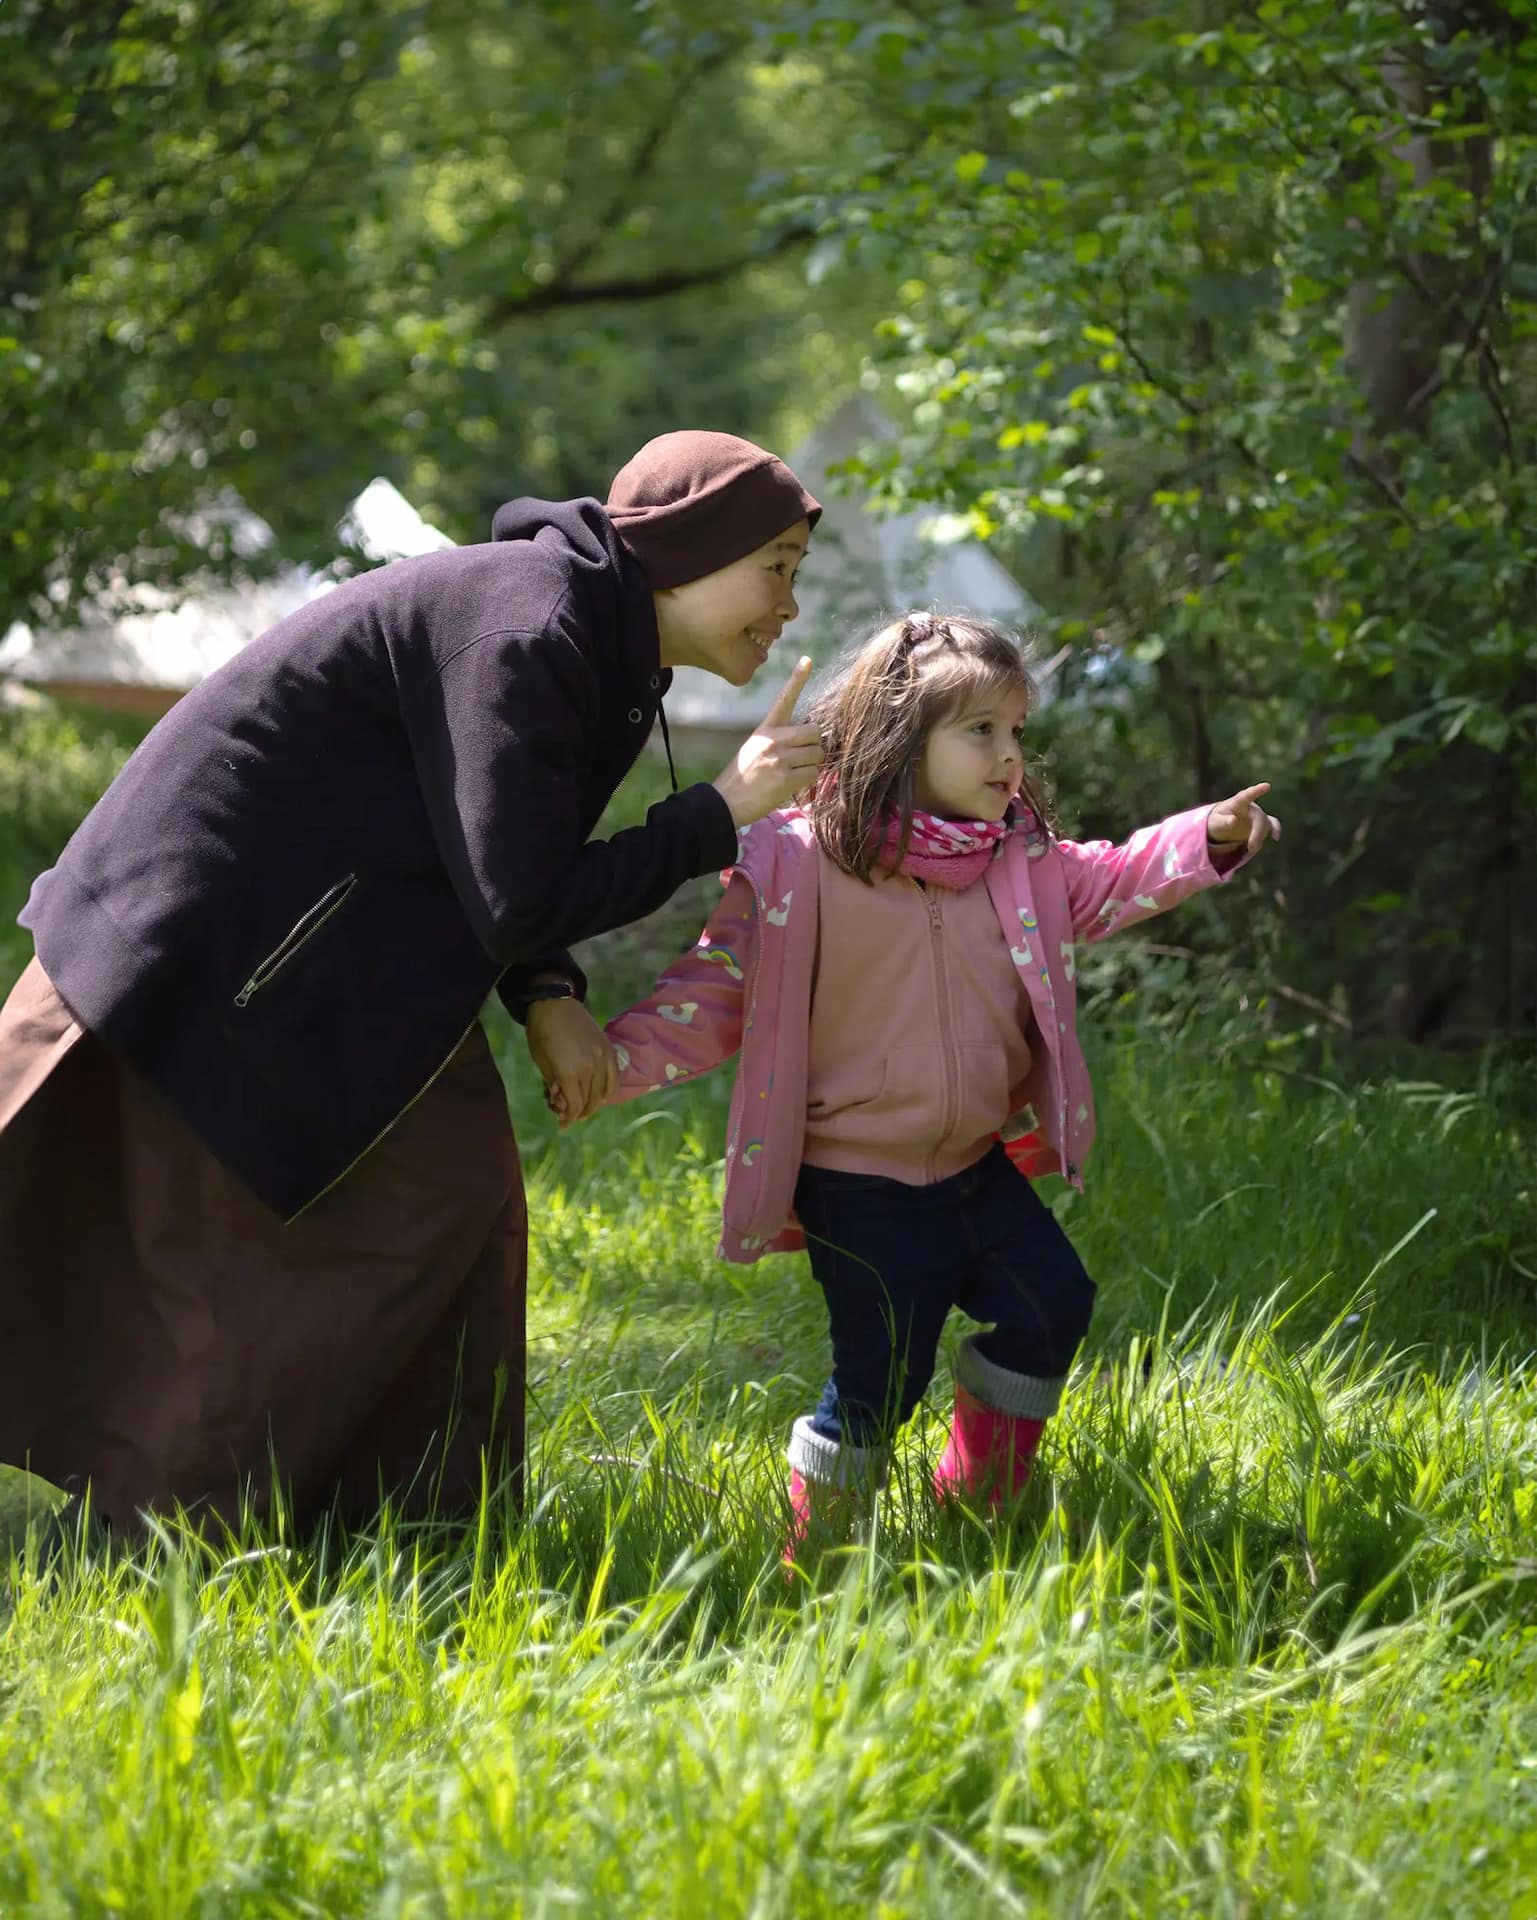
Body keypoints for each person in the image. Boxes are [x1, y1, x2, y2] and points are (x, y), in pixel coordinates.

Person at [0, 429, 825, 1534]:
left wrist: (545, 992)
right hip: (201, 952)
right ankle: (187, 1528)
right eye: (774, 565)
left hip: (312, 968)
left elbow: (493, 842)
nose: (788, 605)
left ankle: (403, 1534)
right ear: (686, 546)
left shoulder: (589, 637)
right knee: (128, 1223)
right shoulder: (532, 623)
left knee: (451, 1198)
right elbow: (518, 890)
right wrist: (716, 813)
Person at [570, 612, 1280, 1559]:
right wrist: (608, 1063)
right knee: (881, 1379)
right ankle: (817, 1561)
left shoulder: (1016, 862)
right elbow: (714, 990)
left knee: (1049, 1305)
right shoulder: (800, 862)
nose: (1009, 756)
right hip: (856, 1182)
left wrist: (1209, 836)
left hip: (974, 1164)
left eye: (1016, 731)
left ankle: (979, 1502)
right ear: (900, 738)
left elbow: (1114, 877)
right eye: (979, 730)